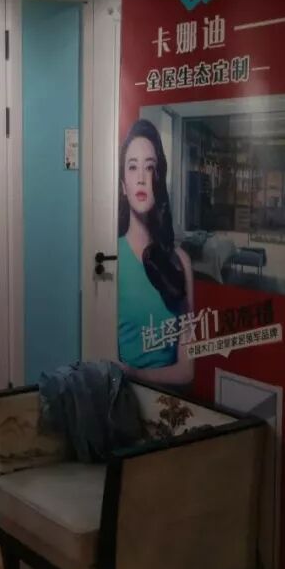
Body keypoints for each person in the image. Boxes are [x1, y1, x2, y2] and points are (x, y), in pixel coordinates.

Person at [117, 118, 195, 388]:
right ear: (123, 185)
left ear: (159, 179)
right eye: (132, 167)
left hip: (171, 403)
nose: (141, 178)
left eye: (150, 167)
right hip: (125, 400)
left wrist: (135, 374)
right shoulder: (111, 260)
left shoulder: (180, 262)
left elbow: (187, 370)